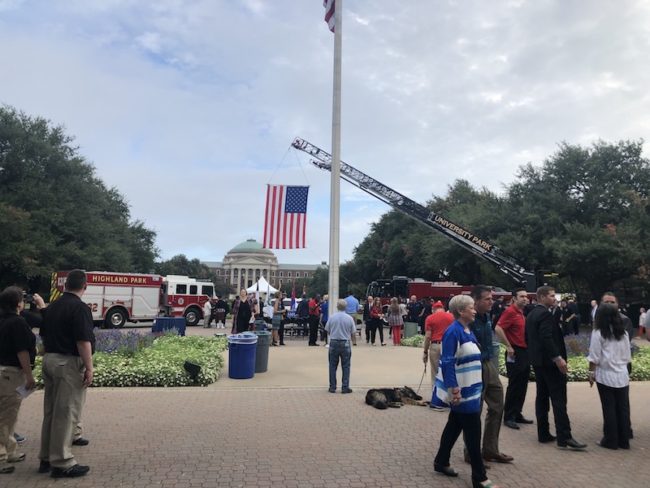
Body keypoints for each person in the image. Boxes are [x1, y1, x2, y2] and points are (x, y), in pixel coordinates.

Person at [432, 295, 499, 488]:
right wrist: (454, 389)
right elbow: (447, 362)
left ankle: (441, 461)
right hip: (462, 392)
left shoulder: (466, 329)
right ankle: (480, 477)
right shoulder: (453, 332)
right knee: (473, 432)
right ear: (461, 311)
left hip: (471, 388)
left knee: (454, 426)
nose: (474, 310)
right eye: (471, 307)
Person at [39, 269, 95, 478]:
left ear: (64, 286)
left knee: (51, 412)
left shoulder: (52, 306)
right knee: (66, 412)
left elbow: (43, 334)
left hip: (50, 359)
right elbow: (83, 341)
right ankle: (62, 462)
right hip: (68, 363)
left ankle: (46, 457)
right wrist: (89, 367)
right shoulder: (80, 308)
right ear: (85, 286)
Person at [526, 285, 586, 450]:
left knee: (542, 397)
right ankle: (564, 436)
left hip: (538, 363)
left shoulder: (531, 314)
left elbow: (530, 338)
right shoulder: (545, 314)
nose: (555, 299)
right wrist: (558, 358)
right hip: (550, 364)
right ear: (542, 297)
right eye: (552, 296)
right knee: (559, 399)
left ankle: (543, 432)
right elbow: (546, 337)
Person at [466, 285, 513, 465]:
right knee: (474, 410)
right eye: (487, 299)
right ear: (476, 301)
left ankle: (490, 450)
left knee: (497, 404)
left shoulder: (486, 317)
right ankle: (471, 452)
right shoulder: (469, 319)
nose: (491, 302)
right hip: (475, 366)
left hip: (488, 364)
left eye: (491, 298)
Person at [0, 287, 37, 475]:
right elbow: (22, 351)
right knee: (5, 417)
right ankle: (1, 458)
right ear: (18, 303)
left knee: (9, 415)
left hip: (2, 371)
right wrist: (29, 376)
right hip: (11, 374)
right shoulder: (18, 323)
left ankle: (11, 450)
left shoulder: (3, 321)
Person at [587, 303, 631, 450]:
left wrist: (591, 373)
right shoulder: (623, 333)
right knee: (623, 409)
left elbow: (594, 356)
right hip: (622, 375)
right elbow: (627, 356)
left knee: (609, 409)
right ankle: (624, 440)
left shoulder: (598, 332)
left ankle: (611, 440)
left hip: (605, 375)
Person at [495, 289, 533, 430]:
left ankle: (517, 413)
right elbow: (498, 328)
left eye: (526, 296)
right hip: (515, 352)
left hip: (523, 352)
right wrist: (509, 346)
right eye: (522, 296)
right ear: (514, 299)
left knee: (522, 384)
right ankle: (509, 416)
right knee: (515, 384)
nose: (525, 299)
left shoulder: (521, 313)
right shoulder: (510, 312)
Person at [325, 299, 357, 393]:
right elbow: (353, 332)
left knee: (332, 365)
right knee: (346, 366)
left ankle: (332, 387)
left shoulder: (332, 317)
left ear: (337, 307)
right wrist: (353, 341)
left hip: (334, 341)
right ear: (345, 307)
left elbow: (327, 329)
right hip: (345, 342)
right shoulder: (349, 318)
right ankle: (345, 386)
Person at [423, 301, 454, 390]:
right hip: (449, 346)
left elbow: (428, 336)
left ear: (433, 309)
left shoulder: (430, 318)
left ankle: (436, 395)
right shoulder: (452, 317)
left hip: (435, 345)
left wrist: (425, 351)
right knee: (449, 371)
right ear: (443, 309)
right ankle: (449, 395)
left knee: (435, 371)